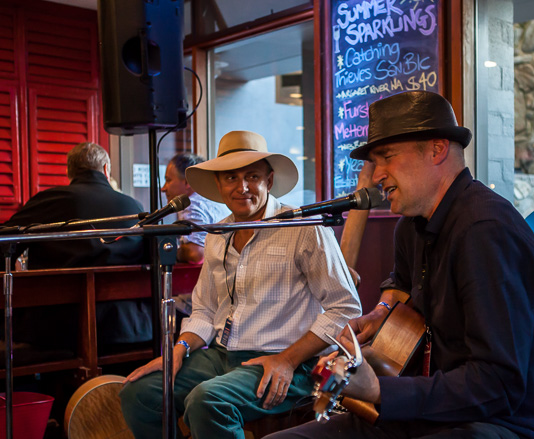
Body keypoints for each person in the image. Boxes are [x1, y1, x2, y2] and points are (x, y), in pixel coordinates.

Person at [265, 91, 534, 439]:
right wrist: (381, 313)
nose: (376, 175)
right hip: (430, 410)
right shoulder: (411, 226)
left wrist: (378, 390)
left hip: (502, 424)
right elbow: (402, 289)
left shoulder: (485, 231)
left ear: (437, 149)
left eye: (387, 158)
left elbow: (497, 385)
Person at [120, 130, 362, 439]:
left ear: (269, 181)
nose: (242, 187)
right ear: (219, 185)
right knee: (139, 393)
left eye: (252, 176)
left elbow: (346, 308)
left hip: (290, 360)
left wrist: (287, 360)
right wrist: (180, 348)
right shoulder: (216, 234)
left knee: (207, 401)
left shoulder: (304, 227)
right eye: (231, 178)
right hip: (222, 357)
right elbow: (206, 309)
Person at [2, 142, 151, 351]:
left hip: (59, 331)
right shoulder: (133, 207)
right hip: (129, 327)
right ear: (107, 169)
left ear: (69, 172)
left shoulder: (50, 200)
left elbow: (4, 242)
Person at [161, 152, 230, 263]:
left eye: (168, 180)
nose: (163, 188)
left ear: (188, 182)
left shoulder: (192, 204)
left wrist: (172, 250)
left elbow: (196, 254)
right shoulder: (216, 201)